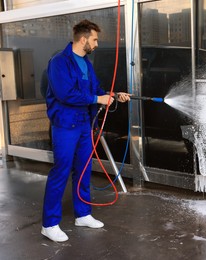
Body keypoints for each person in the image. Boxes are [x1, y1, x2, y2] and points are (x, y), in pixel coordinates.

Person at [41, 19, 131, 242]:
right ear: (83, 39)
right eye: (95, 39)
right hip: (65, 125)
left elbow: (96, 90)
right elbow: (65, 94)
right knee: (61, 171)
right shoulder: (59, 62)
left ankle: (83, 214)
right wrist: (96, 98)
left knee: (83, 170)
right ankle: (49, 223)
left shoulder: (86, 63)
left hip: (84, 124)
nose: (97, 44)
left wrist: (112, 94)